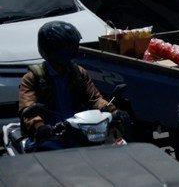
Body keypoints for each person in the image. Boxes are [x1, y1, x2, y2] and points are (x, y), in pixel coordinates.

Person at [18, 21, 124, 150]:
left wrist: (113, 110)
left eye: (72, 47)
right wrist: (40, 127)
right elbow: (28, 109)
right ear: (50, 49)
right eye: (66, 48)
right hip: (51, 136)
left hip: (81, 132)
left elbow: (95, 99)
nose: (71, 51)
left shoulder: (78, 72)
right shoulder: (32, 78)